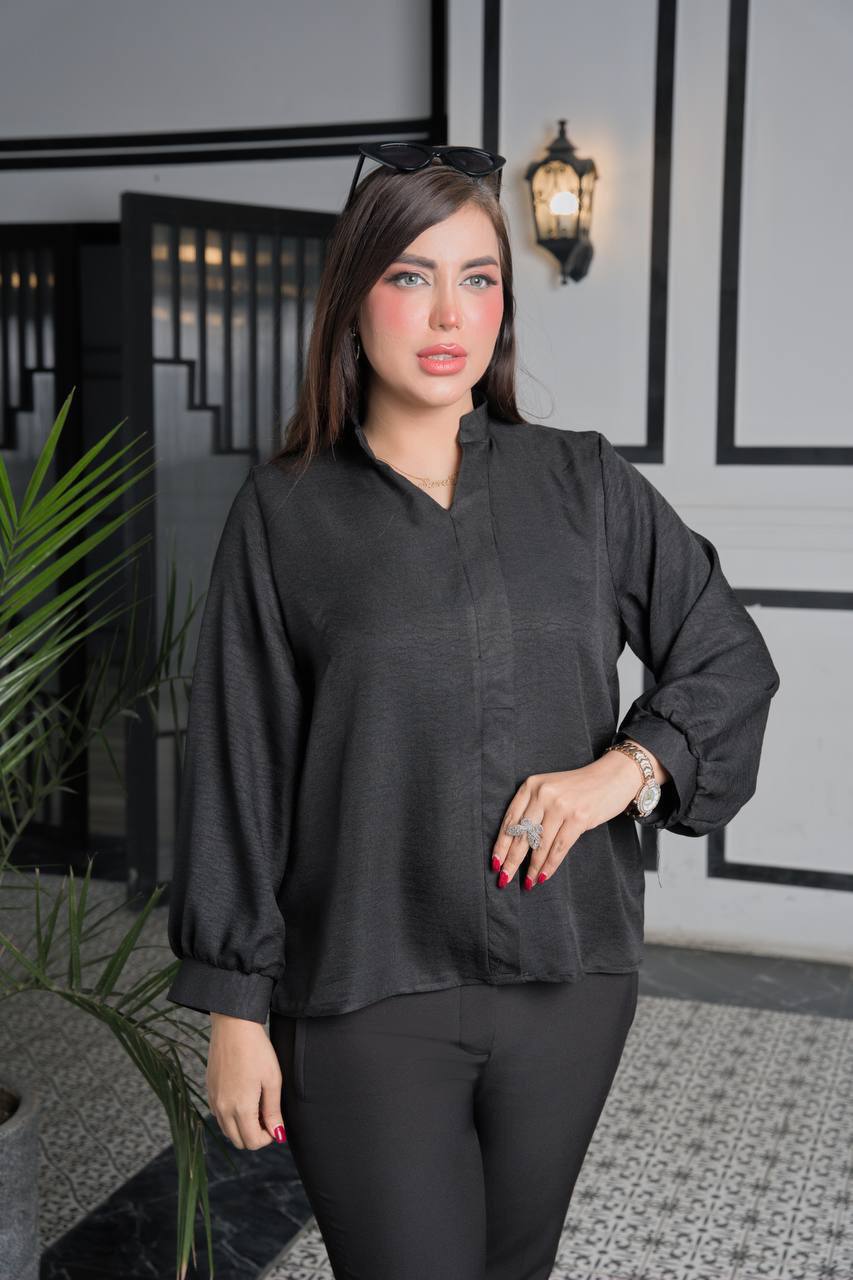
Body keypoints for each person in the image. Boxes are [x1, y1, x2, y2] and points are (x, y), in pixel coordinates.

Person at [166, 142, 781, 1279]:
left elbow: (727, 657)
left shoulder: (583, 483)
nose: (449, 312)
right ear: (352, 302)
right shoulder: (285, 511)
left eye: (478, 276)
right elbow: (238, 769)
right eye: (409, 275)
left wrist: (622, 770)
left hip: (567, 977)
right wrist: (235, 1011)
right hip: (362, 988)